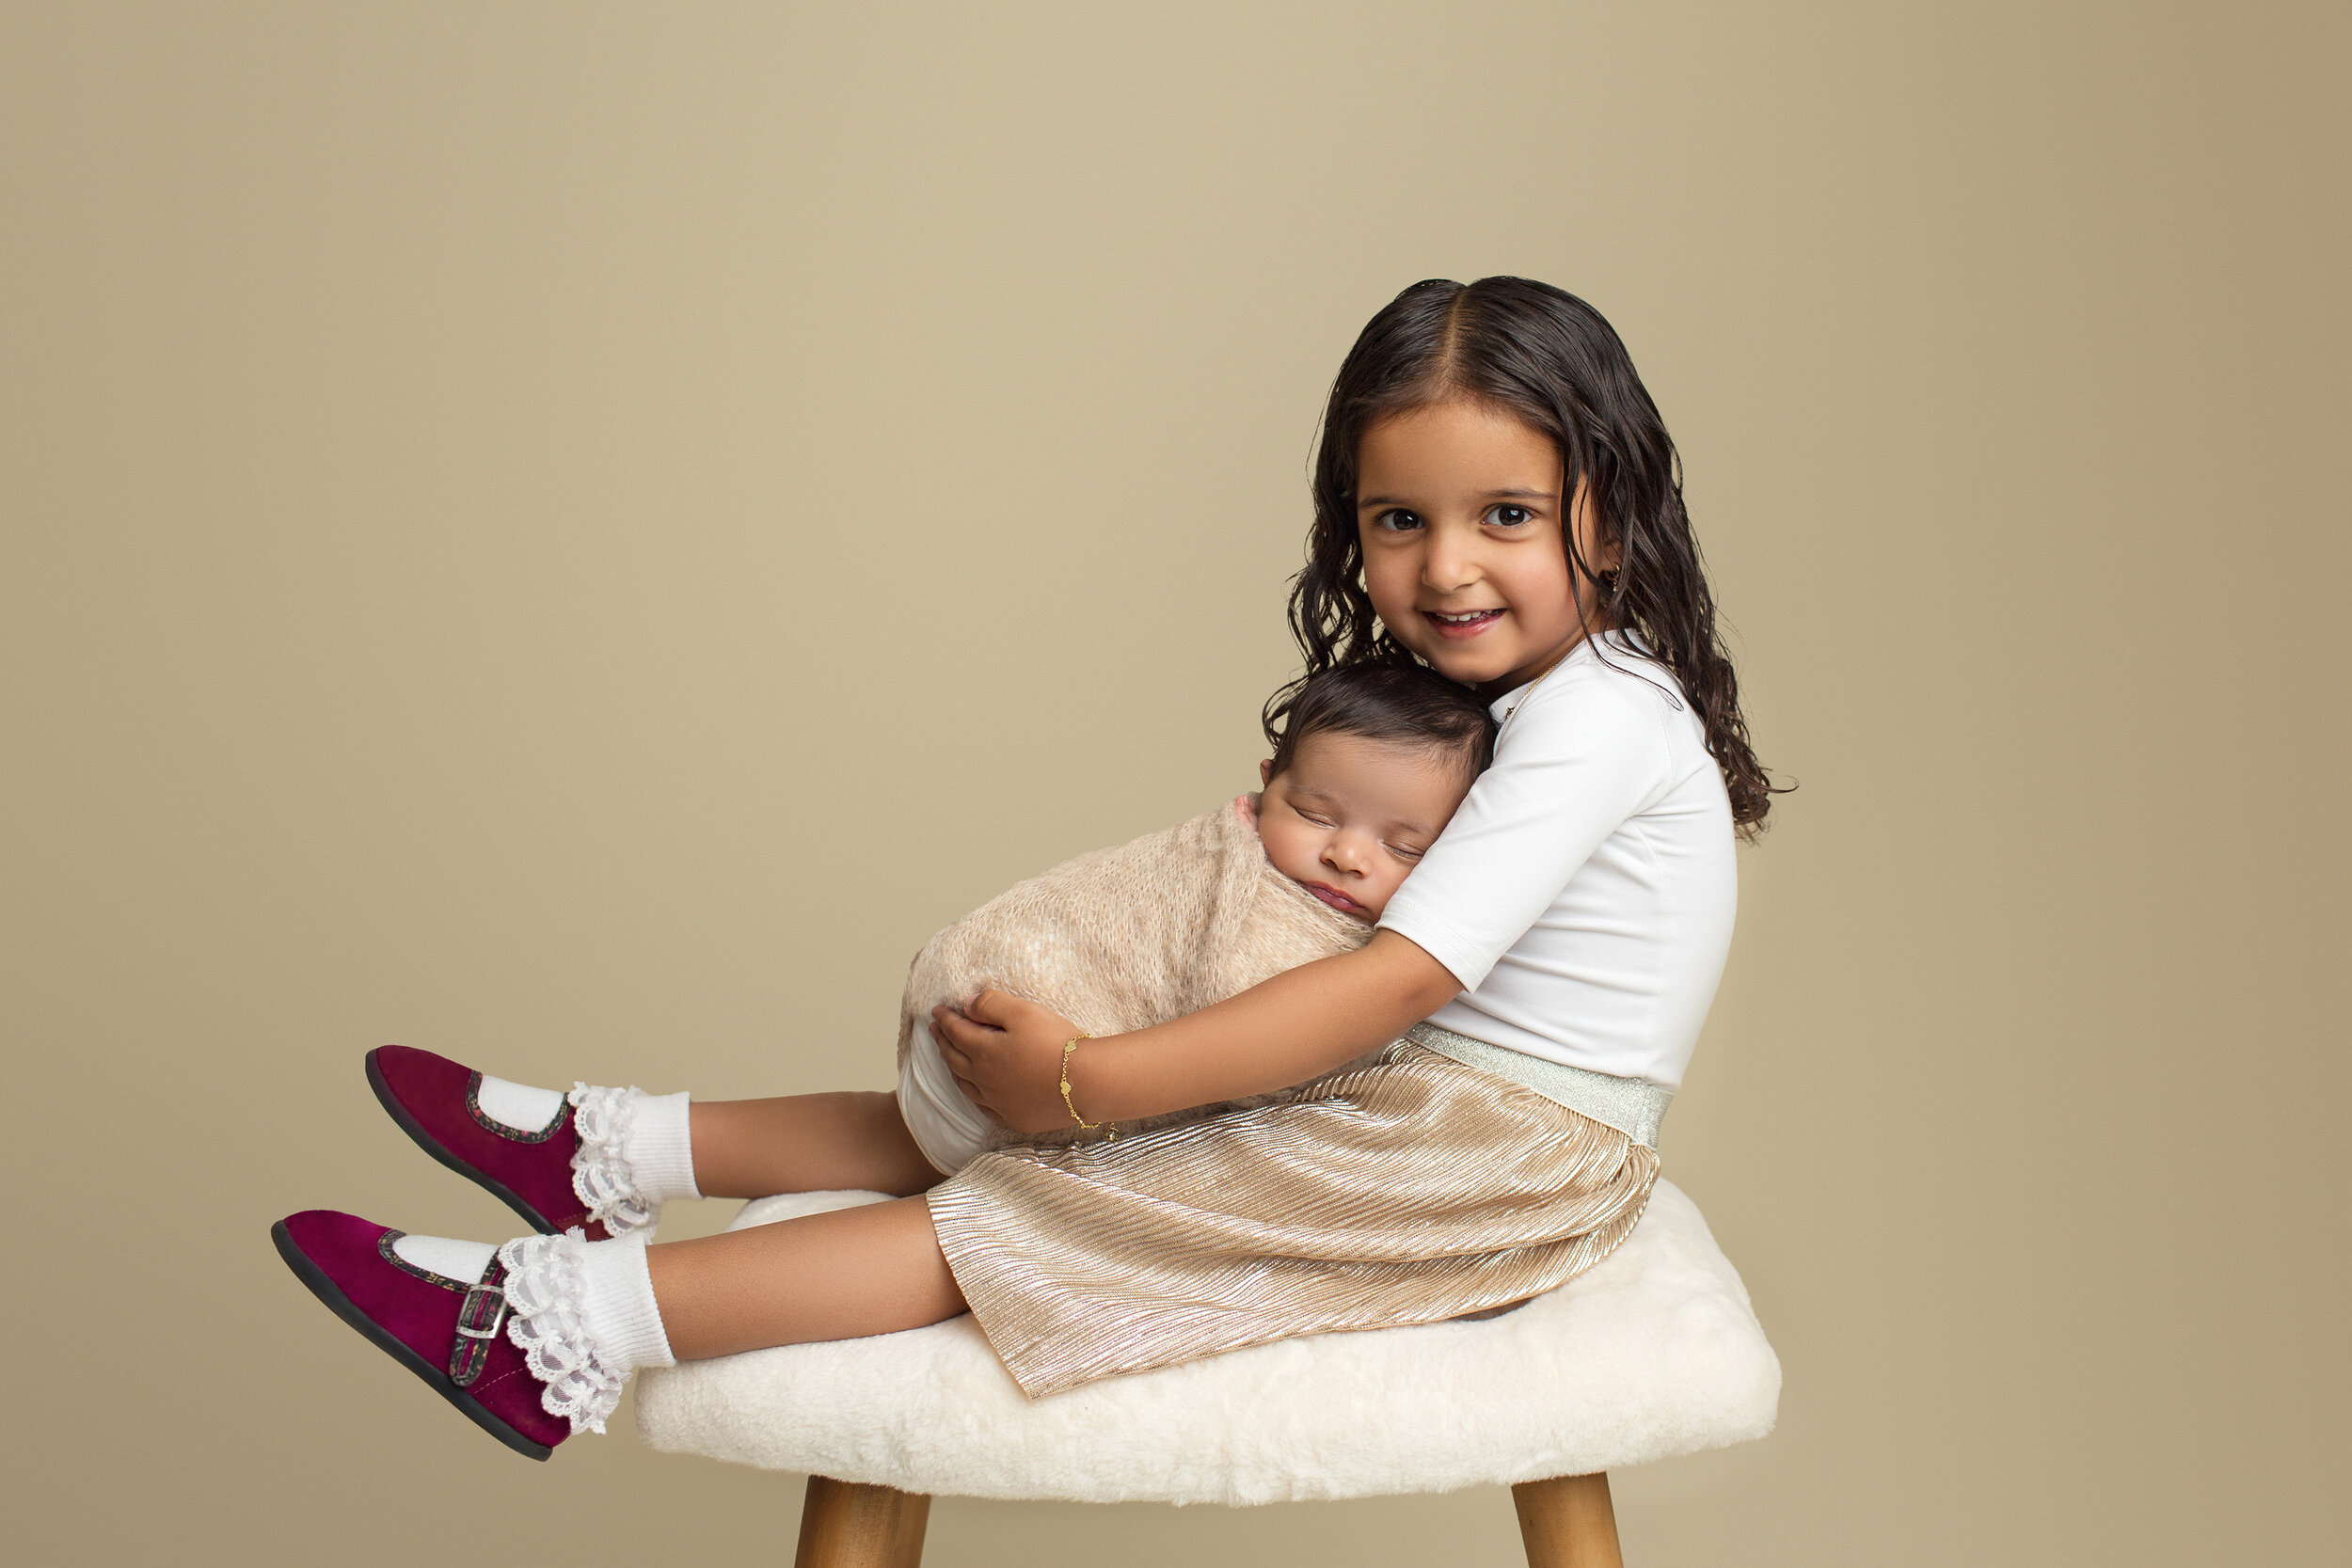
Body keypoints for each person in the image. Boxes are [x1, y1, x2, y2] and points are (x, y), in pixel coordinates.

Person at [273, 276, 1775, 1462]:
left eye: (1504, 516)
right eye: (1402, 520)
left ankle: (561, 1326)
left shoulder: (1595, 721)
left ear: (1611, 507)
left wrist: (1094, 1080)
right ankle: (612, 1152)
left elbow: (1395, 982)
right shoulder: (1550, 699)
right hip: (1434, 1099)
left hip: (1485, 1150)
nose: (1446, 568)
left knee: (1047, 1196)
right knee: (986, 1098)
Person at [896, 659, 1495, 1175]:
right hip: (1007, 1032)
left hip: (989, 1062)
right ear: (1266, 786)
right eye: (1315, 815)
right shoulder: (1233, 868)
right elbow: (1268, 1042)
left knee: (887, 1144)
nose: (1347, 855)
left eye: (1405, 849)